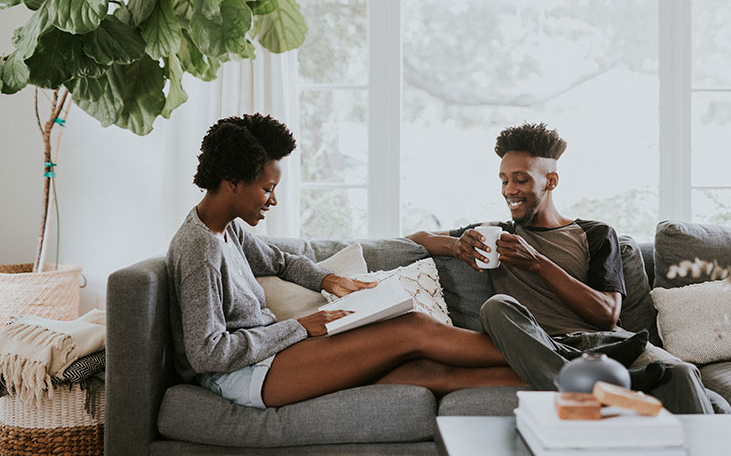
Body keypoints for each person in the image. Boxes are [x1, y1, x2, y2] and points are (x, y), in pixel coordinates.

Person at [166, 113, 526, 409]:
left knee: (422, 371)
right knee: (412, 327)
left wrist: (328, 281)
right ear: (232, 183)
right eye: (267, 188)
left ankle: (552, 378)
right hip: (242, 376)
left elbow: (279, 262)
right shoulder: (201, 250)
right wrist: (302, 327)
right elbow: (207, 355)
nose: (273, 200)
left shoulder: (227, 230)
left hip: (267, 359)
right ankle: (550, 354)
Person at [408, 122, 714, 414]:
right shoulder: (497, 233)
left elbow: (606, 315)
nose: (509, 190)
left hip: (609, 346)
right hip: (538, 346)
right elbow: (416, 238)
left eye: (521, 179)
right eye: (504, 180)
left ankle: (585, 377)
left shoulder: (595, 234)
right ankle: (593, 382)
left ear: (551, 181)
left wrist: (538, 263)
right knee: (496, 307)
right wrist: (456, 246)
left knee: (682, 373)